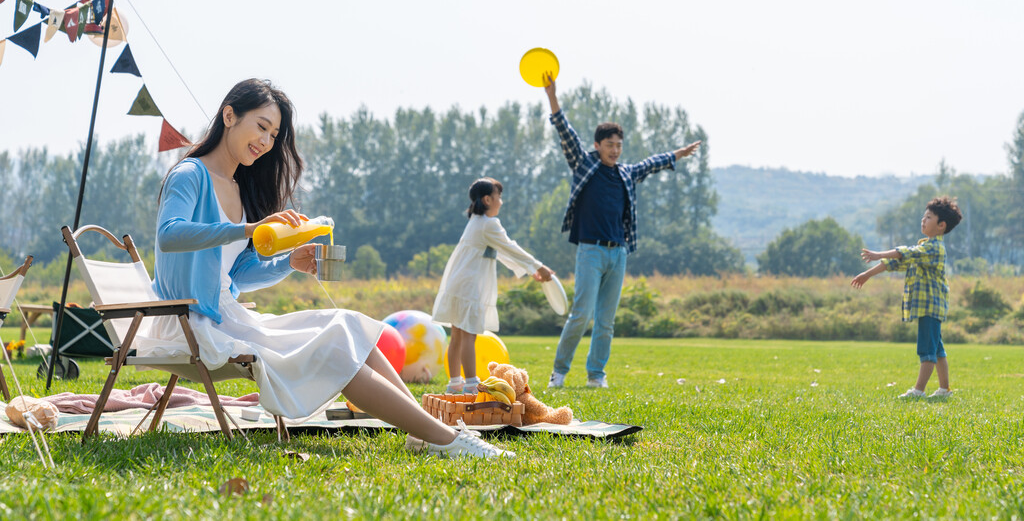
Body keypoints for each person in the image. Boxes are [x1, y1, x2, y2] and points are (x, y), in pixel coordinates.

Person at [145, 78, 511, 458]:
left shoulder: (237, 189)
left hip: (227, 316)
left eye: (274, 134)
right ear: (229, 115)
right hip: (190, 324)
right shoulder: (189, 174)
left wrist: (289, 262)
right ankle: (447, 441)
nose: (267, 142)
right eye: (262, 127)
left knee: (350, 323)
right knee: (336, 352)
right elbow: (169, 235)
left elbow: (234, 276)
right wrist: (248, 229)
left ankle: (425, 433)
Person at [542, 76, 701, 389]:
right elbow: (566, 132)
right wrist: (552, 97)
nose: (615, 150)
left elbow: (650, 164)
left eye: (619, 146)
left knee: (606, 322)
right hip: (590, 251)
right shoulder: (583, 164)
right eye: (609, 145)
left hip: (618, 253)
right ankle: (559, 372)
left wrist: (678, 154)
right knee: (581, 314)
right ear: (598, 146)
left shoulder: (626, 174)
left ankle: (596, 375)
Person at [432, 178, 554, 395]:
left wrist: (531, 270)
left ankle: (454, 384)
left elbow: (501, 252)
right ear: (488, 199)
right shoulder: (489, 224)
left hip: (459, 284)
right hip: (470, 287)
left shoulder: (477, 222)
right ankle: (470, 384)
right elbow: (510, 247)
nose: (501, 202)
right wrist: (538, 266)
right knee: (469, 335)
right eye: (499, 197)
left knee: (458, 336)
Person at [851, 196, 963, 399]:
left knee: (927, 350)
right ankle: (944, 390)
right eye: (924, 216)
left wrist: (877, 254)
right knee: (937, 349)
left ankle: (918, 391)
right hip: (931, 307)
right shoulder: (924, 247)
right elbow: (895, 263)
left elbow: (905, 253)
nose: (923, 219)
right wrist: (867, 274)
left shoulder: (933, 248)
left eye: (928, 217)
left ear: (941, 225)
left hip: (930, 307)